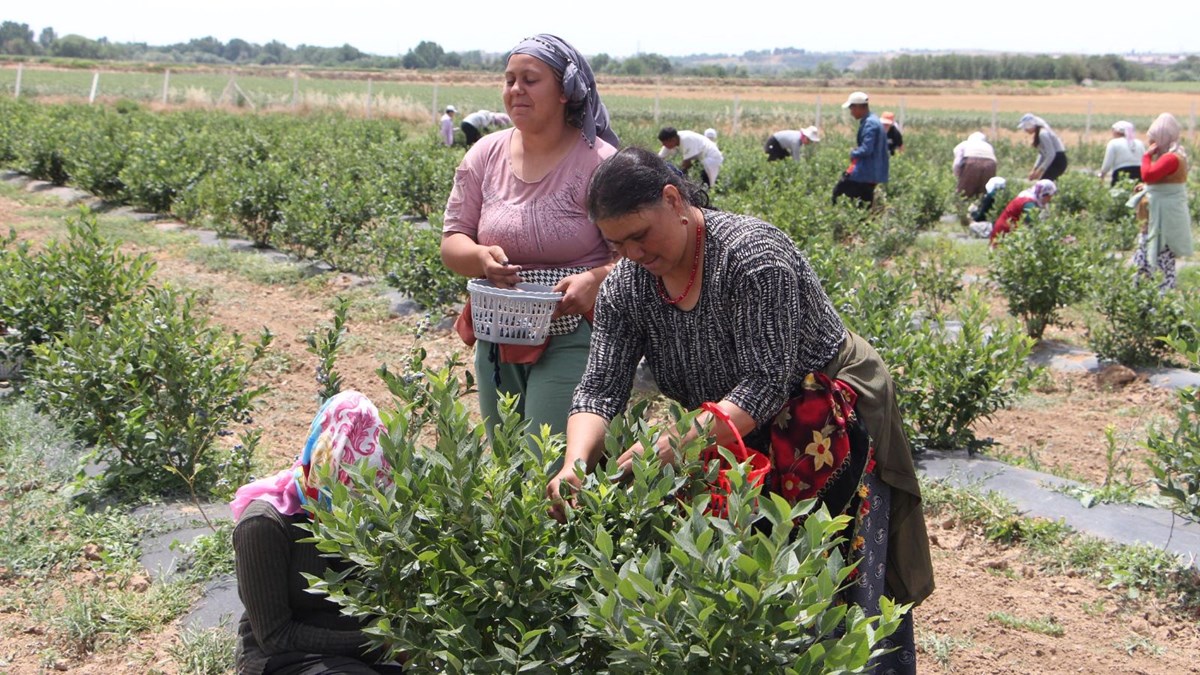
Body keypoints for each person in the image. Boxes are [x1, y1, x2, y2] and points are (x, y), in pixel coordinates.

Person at [548, 147, 933, 674]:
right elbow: (599, 388)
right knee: (739, 572)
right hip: (725, 425)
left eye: (641, 235)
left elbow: (763, 385)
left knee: (829, 570)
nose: (633, 252)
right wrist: (575, 463)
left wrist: (670, 446)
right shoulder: (628, 286)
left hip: (819, 415)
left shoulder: (750, 256)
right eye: (616, 243)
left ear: (673, 199)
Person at [442, 34, 619, 440]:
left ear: (565, 92)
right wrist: (481, 258)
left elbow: (638, 254)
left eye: (530, 79)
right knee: (506, 465)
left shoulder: (600, 163)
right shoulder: (483, 156)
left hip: (573, 330)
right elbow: (453, 242)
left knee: (547, 460)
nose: (515, 89)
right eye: (509, 80)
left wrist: (595, 279)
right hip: (498, 333)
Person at [231, 391, 403, 675]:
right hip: (284, 657)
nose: (356, 507)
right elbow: (275, 636)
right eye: (347, 490)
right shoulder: (264, 525)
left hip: (353, 648)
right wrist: (380, 643)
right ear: (323, 467)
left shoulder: (372, 517)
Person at [1130, 112, 1193, 290]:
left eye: (1153, 140)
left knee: (1157, 256)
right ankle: (1148, 293)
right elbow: (1159, 181)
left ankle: (1157, 296)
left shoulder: (1171, 158)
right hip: (1160, 214)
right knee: (1150, 255)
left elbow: (1148, 174)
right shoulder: (1173, 156)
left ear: (1162, 138)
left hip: (1162, 217)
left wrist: (1146, 156)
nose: (1151, 144)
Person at [832, 91, 889, 207]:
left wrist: (853, 152)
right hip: (871, 174)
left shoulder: (870, 124)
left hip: (863, 173)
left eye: (852, 108)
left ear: (859, 107)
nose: (851, 112)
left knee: (837, 196)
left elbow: (867, 149)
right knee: (863, 206)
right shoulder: (874, 120)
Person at [989, 178, 1057, 246]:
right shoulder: (1028, 202)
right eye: (1049, 196)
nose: (1050, 199)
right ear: (1044, 194)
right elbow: (1035, 224)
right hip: (1004, 235)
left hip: (1006, 233)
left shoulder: (1030, 197)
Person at [658, 127, 724, 190]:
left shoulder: (686, 139)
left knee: (708, 182)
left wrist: (676, 177)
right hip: (701, 158)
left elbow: (686, 164)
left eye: (664, 143)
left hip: (711, 157)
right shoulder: (673, 140)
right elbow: (659, 158)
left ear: (672, 140)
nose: (663, 145)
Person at [1017, 113, 1068, 181]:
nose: (1025, 130)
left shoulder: (1043, 134)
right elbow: (1042, 154)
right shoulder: (1041, 133)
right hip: (1055, 160)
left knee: (1044, 183)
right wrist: (1035, 169)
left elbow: (1051, 154)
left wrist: (1040, 170)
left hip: (1057, 161)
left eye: (1025, 128)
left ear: (1030, 125)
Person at [1099, 120, 1146, 186]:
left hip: (1121, 174)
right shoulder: (1139, 143)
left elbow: (1107, 164)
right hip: (1138, 173)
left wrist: (1102, 175)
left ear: (1117, 132)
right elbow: (1144, 160)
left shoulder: (1113, 143)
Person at [952, 131, 997, 198]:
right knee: (984, 192)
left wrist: (956, 174)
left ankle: (961, 206)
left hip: (972, 162)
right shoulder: (989, 146)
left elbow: (957, 162)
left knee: (963, 193)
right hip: (990, 164)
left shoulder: (964, 144)